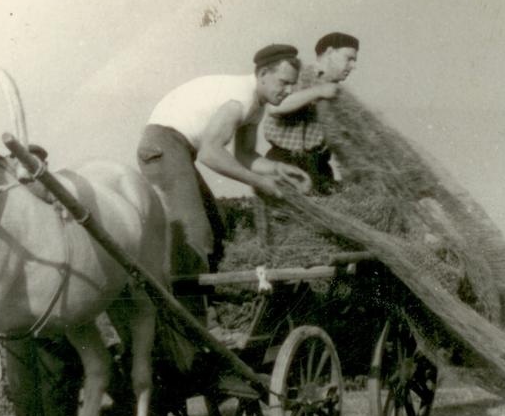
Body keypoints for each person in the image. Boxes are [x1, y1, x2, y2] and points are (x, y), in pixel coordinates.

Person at [136, 43, 311, 277]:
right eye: (284, 82)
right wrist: (259, 182)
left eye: (293, 84)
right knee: (194, 232)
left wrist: (279, 169)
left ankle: (213, 299)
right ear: (263, 75)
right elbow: (210, 153)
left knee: (217, 226)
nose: (289, 91)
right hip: (163, 143)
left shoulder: (256, 107)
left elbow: (245, 155)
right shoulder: (239, 100)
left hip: (179, 148)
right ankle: (190, 311)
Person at [261, 32, 360, 194]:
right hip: (285, 163)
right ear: (329, 53)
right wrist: (319, 91)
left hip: (319, 166)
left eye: (354, 61)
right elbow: (275, 107)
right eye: (349, 58)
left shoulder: (339, 93)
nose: (353, 66)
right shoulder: (296, 74)